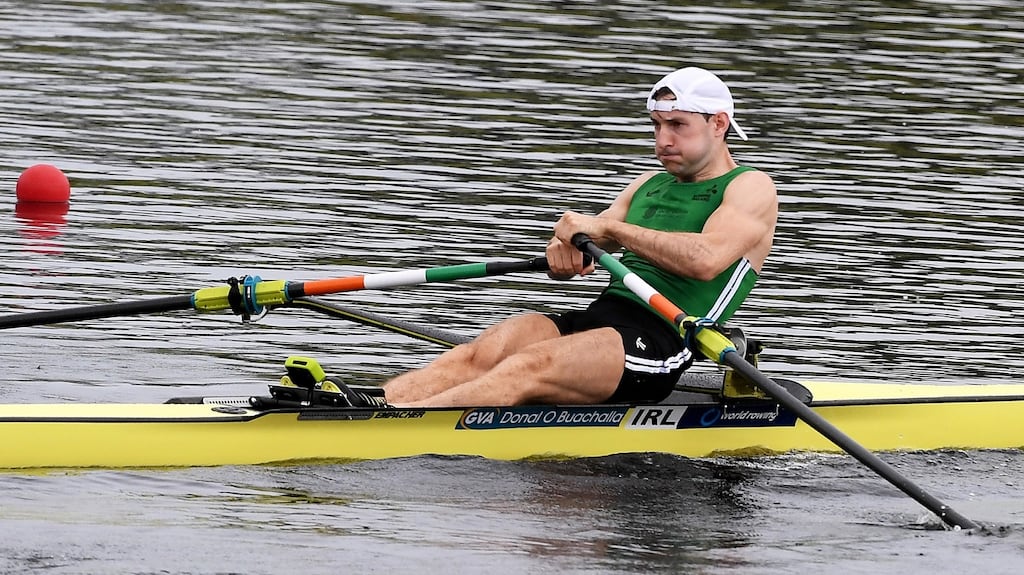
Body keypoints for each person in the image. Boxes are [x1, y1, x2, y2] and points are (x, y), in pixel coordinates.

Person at [381, 66, 777, 408]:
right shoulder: (649, 184)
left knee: (525, 367)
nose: (662, 141)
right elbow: (590, 242)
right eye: (656, 126)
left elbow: (704, 261)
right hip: (599, 321)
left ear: (718, 124)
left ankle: (397, 428)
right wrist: (564, 247)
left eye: (677, 126)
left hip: (662, 343)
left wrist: (608, 230)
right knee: (477, 355)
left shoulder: (750, 187)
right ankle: (372, 408)